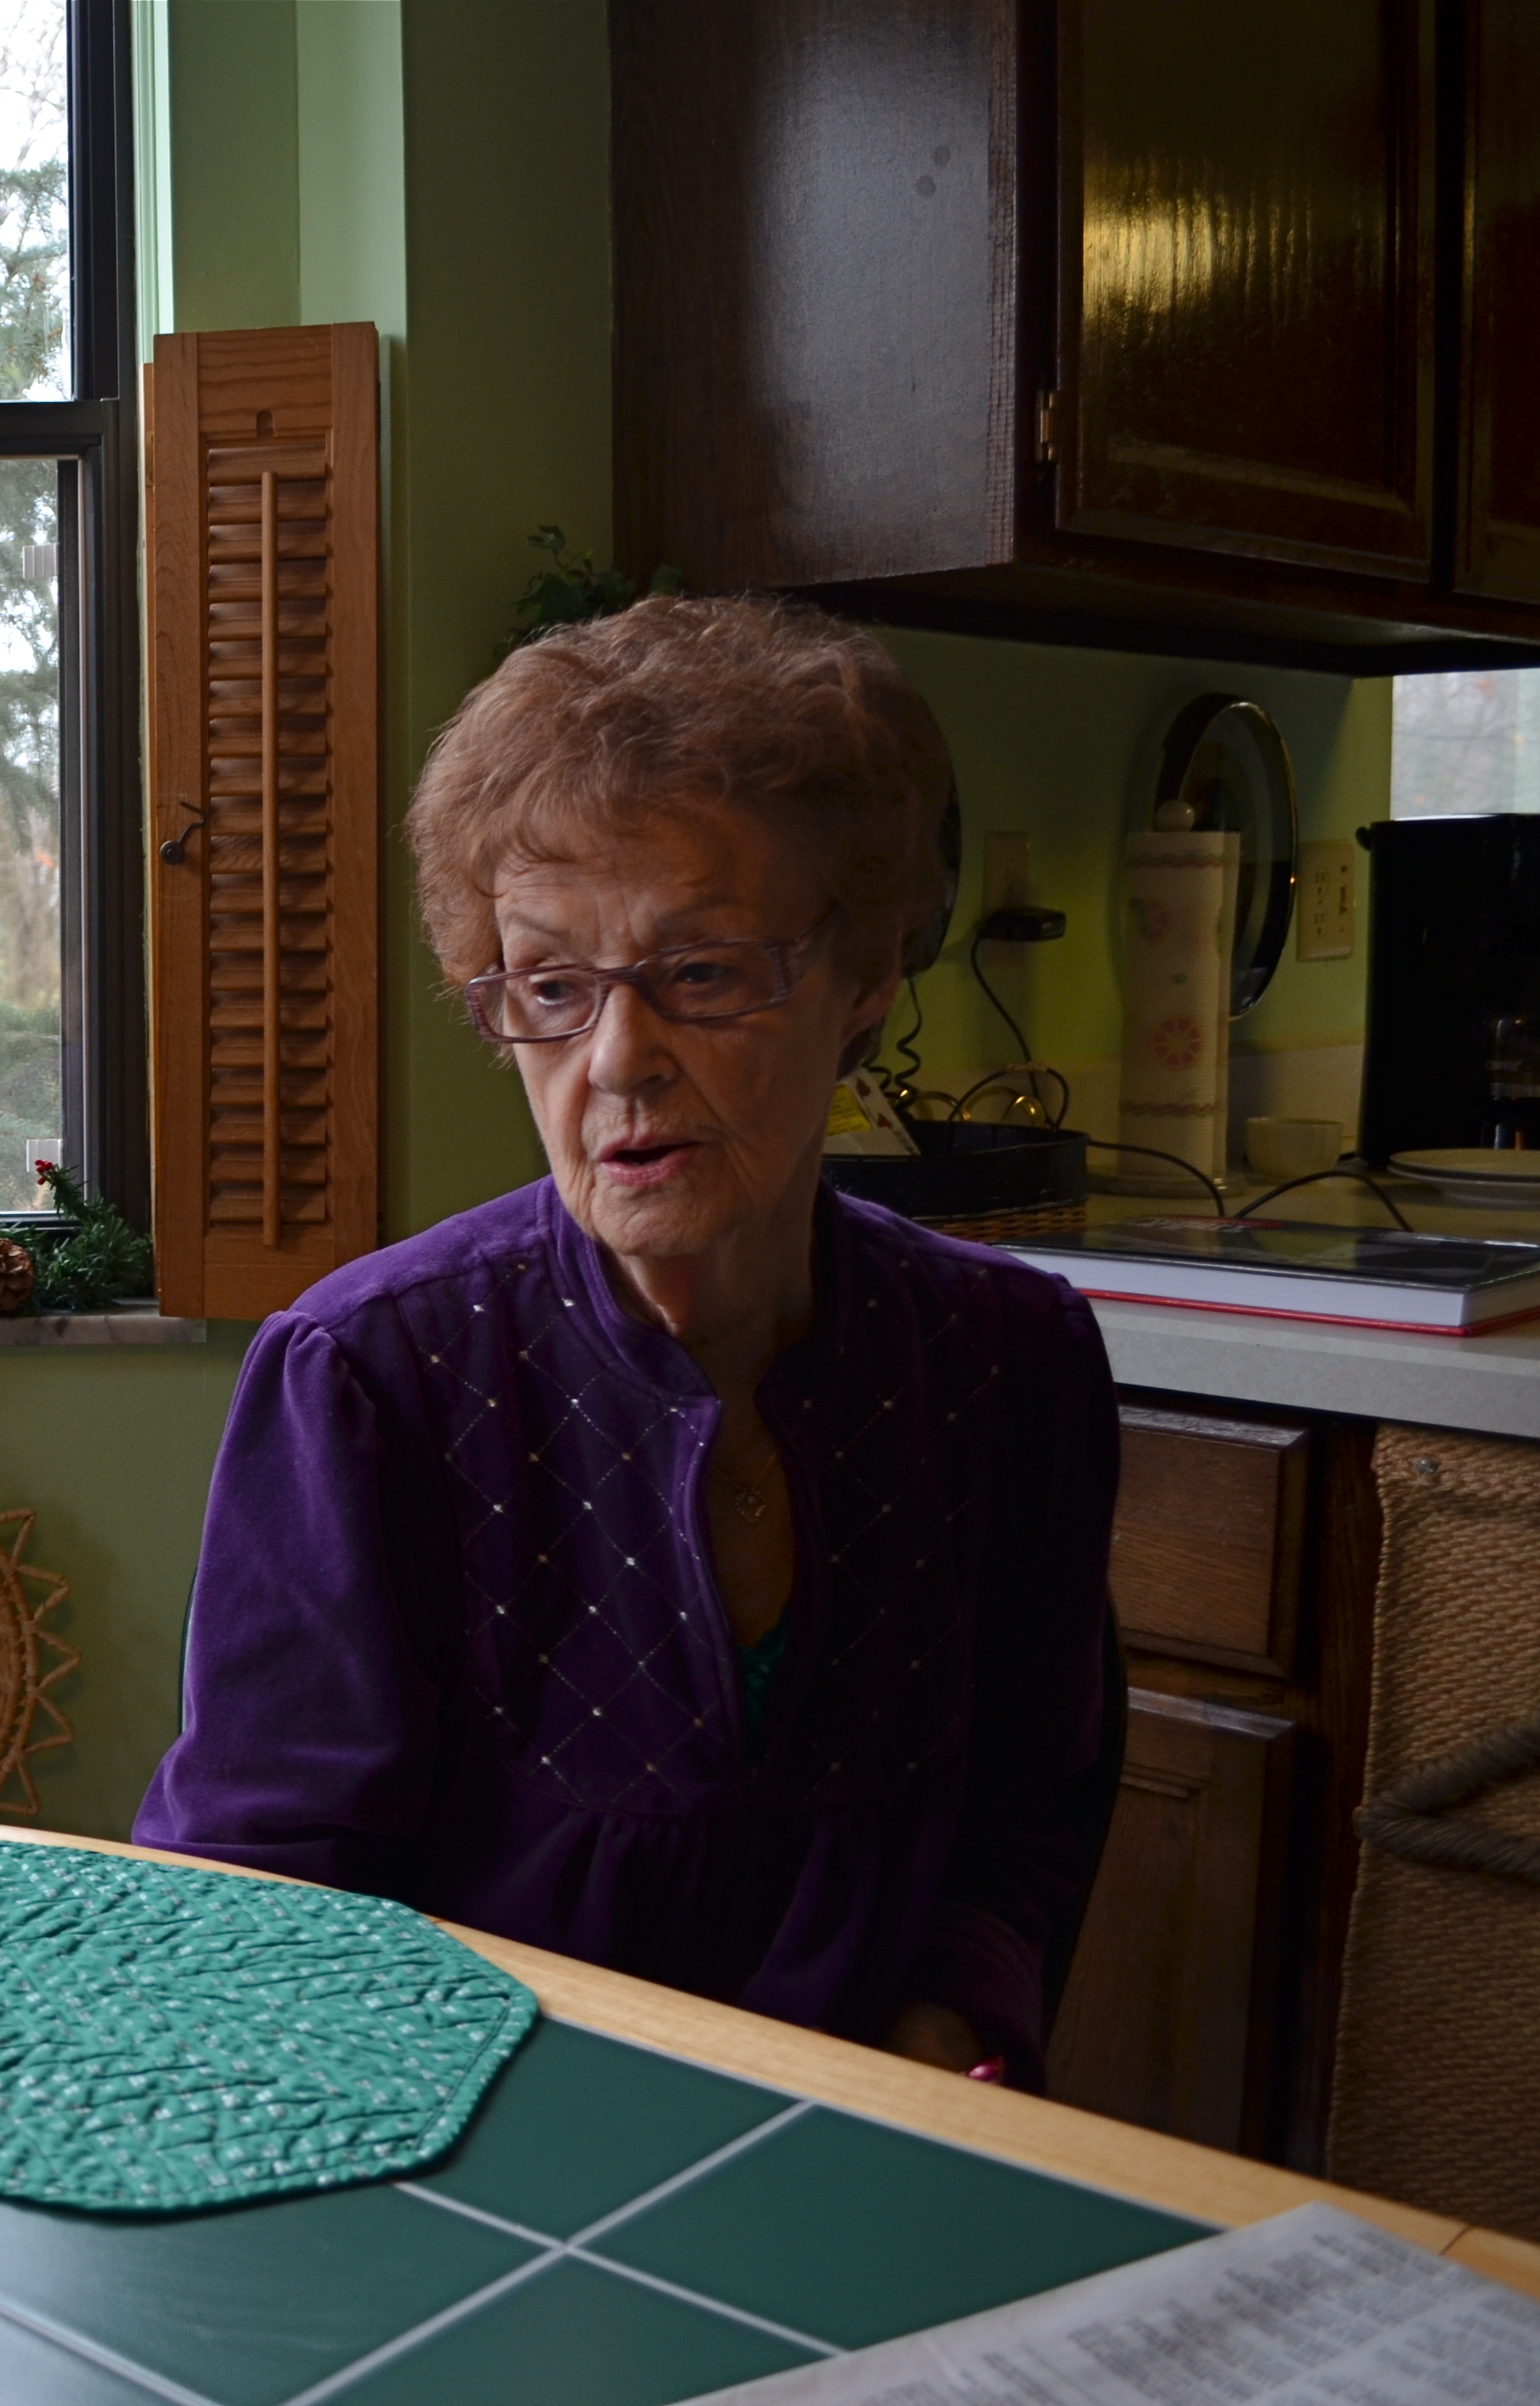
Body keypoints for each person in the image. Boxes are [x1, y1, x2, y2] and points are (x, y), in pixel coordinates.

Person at [130, 595, 1117, 2087]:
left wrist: (944, 2030)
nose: (617, 1059)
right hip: (459, 2135)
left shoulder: (1009, 1357)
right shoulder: (371, 1375)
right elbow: (261, 1896)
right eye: (551, 986)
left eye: (702, 971)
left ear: (863, 979)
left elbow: (1032, 1806)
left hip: (876, 2132)